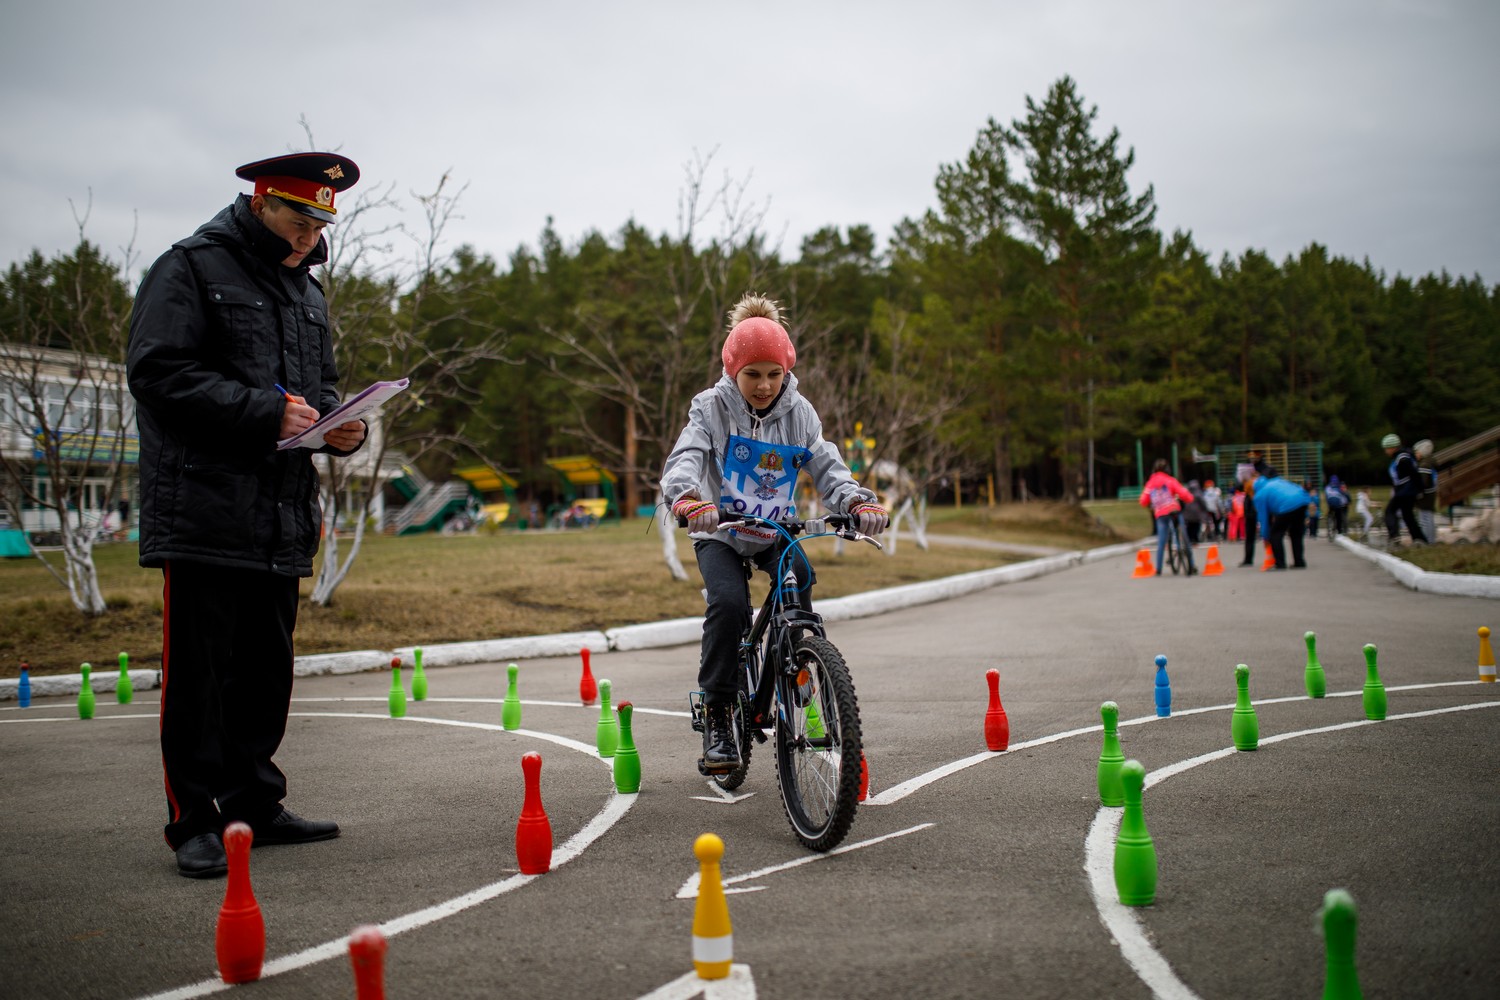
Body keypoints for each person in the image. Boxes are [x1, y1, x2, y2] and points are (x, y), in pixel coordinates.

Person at [126, 152, 368, 879]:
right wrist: (266, 411)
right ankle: (193, 818)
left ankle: (253, 804)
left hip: (281, 512)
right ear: (261, 201)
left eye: (321, 223)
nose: (308, 236)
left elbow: (317, 391)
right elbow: (157, 371)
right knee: (200, 674)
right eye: (298, 220)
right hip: (202, 507)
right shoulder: (190, 268)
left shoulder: (308, 293)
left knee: (266, 671)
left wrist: (340, 427)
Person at [661, 293, 887, 774]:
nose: (764, 385)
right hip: (718, 528)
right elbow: (687, 456)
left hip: (773, 528)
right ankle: (720, 712)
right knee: (728, 604)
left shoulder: (800, 413)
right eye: (752, 374)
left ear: (786, 371)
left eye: (773, 373)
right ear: (732, 371)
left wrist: (855, 501)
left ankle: (802, 678)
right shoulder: (709, 407)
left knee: (800, 579)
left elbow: (826, 464)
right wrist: (686, 498)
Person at [1138, 459, 1197, 576]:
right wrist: (1190, 499)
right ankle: (1191, 564)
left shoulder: (1150, 483)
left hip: (1160, 513)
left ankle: (1158, 569)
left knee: (1161, 541)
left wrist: (1150, 503)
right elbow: (1183, 493)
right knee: (1183, 535)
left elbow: (1143, 501)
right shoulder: (1170, 480)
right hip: (1174, 510)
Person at [1253, 467, 1314, 569]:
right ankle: (1299, 562)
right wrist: (1306, 515)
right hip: (1302, 502)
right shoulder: (1281, 481)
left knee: (1275, 534)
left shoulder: (1260, 493)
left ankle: (1280, 563)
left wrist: (1265, 537)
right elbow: (1299, 489)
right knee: (1296, 533)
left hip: (1286, 506)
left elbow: (1263, 518)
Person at [1381, 433, 1428, 546]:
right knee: (1408, 516)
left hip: (1406, 492)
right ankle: (1420, 539)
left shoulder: (1403, 458)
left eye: (1386, 448)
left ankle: (1394, 536)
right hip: (1406, 491)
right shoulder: (1402, 456)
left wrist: (1420, 490)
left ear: (1393, 447)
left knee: (1390, 511)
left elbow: (1414, 474)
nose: (1385, 451)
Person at [1238, 450, 1269, 566]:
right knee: (1249, 532)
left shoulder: (1266, 468)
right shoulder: (1245, 468)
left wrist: (1258, 477)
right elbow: (1239, 486)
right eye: (1250, 455)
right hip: (1250, 503)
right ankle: (1248, 559)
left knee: (1267, 529)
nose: (1252, 457)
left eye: (1255, 455)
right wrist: (1244, 481)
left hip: (1263, 501)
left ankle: (1273, 556)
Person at [1413, 439, 1439, 544]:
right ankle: (1431, 540)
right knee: (1429, 518)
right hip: (1431, 494)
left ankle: (1427, 541)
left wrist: (1417, 493)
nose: (1416, 454)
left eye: (1417, 451)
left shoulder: (1424, 465)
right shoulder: (1430, 462)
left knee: (1425, 519)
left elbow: (1423, 482)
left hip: (1426, 496)